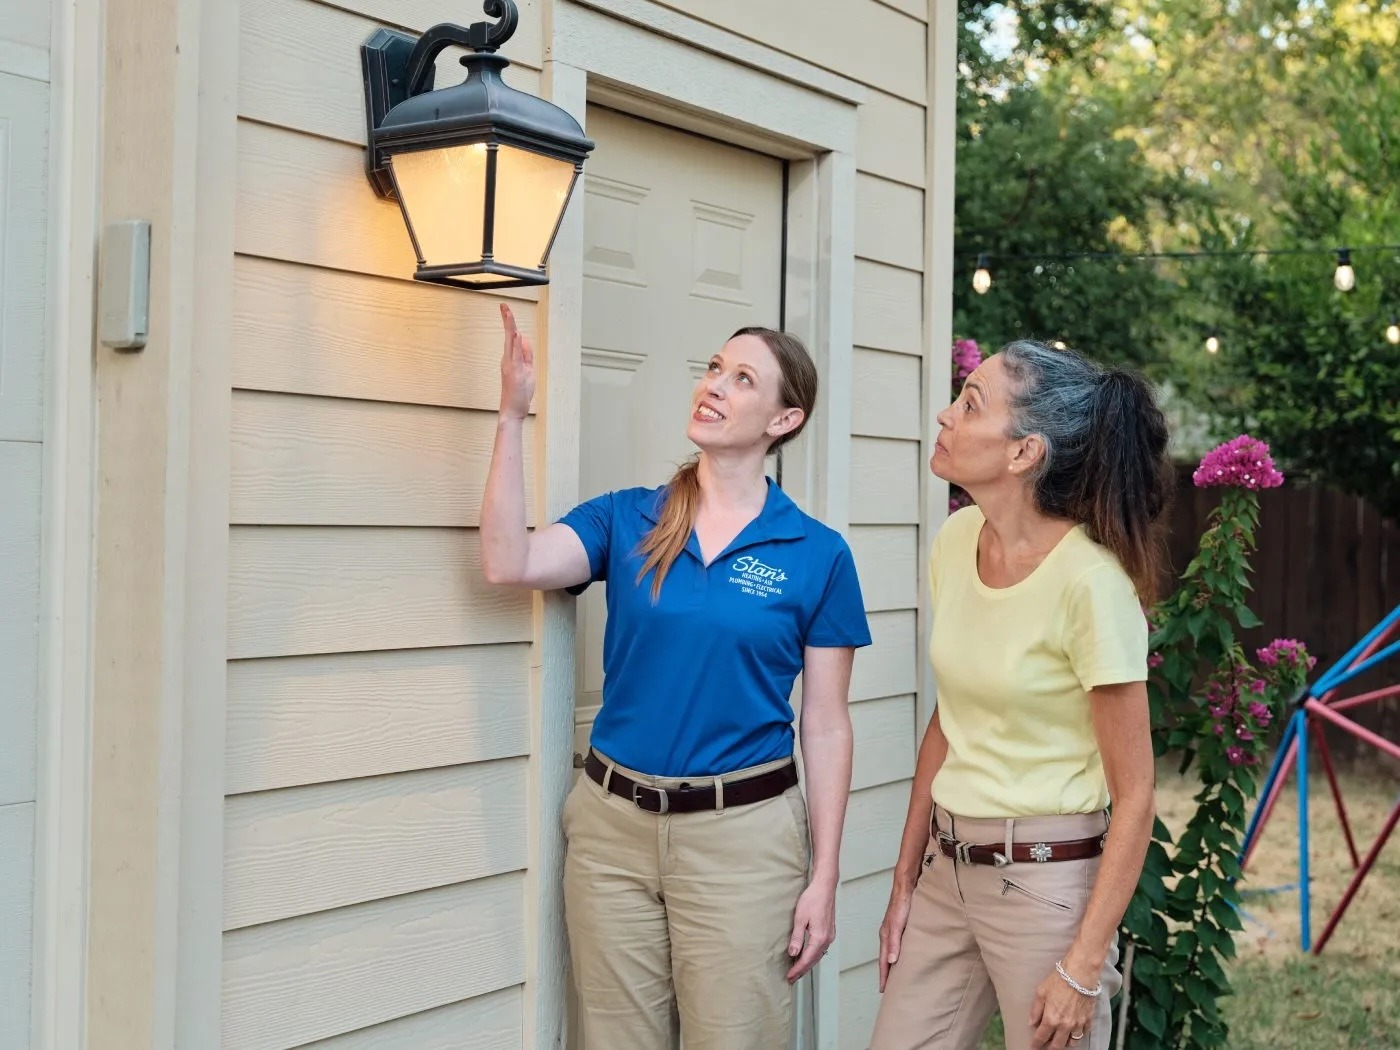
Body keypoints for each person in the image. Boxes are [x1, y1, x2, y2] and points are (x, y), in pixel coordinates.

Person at [481, 304, 872, 1050]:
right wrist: (511, 418)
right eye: (715, 368)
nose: (715, 385)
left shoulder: (816, 554)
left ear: (783, 421)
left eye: (743, 378)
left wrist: (824, 876)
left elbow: (825, 723)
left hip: (744, 843)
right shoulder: (627, 519)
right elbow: (509, 563)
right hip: (610, 833)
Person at [869, 341, 1169, 1050]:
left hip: (1046, 889)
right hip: (950, 874)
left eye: (971, 403)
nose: (946, 415)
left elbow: (1136, 796)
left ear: (1023, 452)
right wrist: (906, 877)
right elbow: (951, 721)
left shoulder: (1090, 586)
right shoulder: (955, 541)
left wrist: (1084, 964)